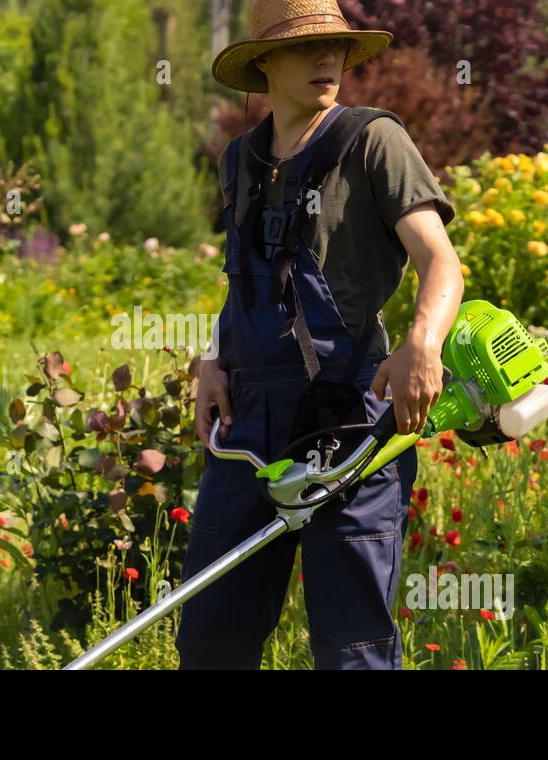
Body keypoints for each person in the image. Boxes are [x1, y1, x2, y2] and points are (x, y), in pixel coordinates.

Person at [177, 0, 465, 669]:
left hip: (348, 420)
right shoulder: (239, 161)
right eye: (307, 49)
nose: (327, 60)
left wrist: (423, 342)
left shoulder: (372, 141)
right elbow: (248, 280)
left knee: (351, 644)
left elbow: (440, 260)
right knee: (210, 636)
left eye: (335, 47)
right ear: (265, 64)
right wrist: (213, 362)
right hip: (247, 423)